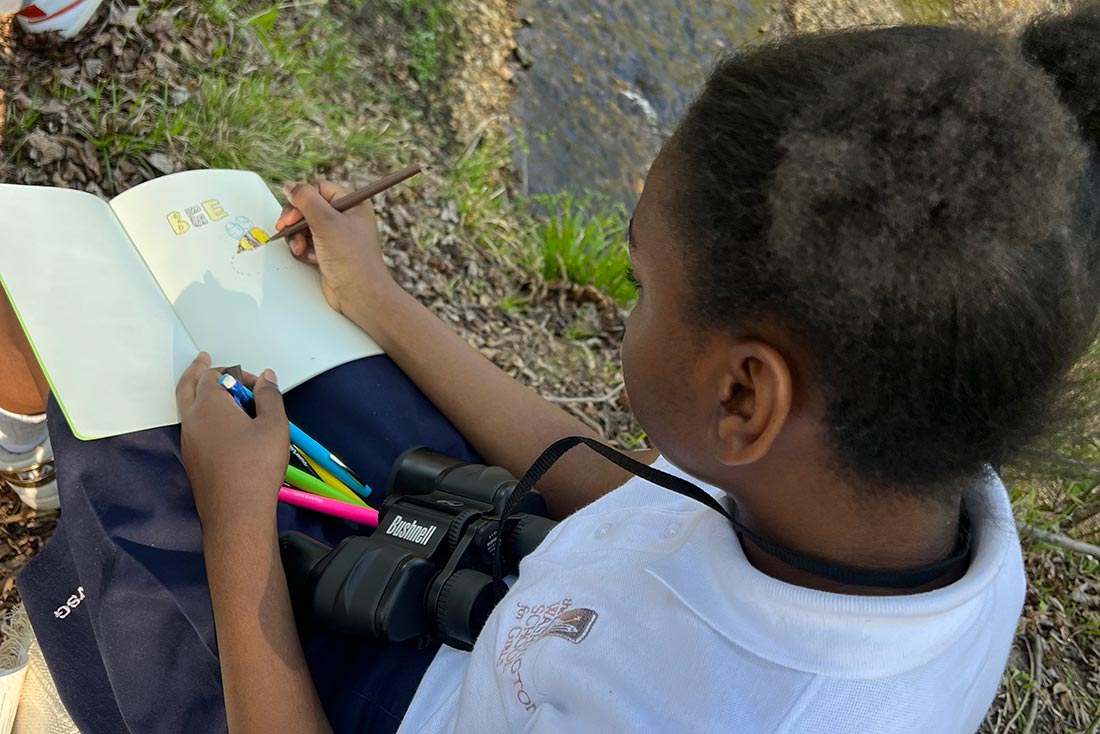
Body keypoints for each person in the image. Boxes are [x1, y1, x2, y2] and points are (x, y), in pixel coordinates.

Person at [8, 5, 1100, 733]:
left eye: (641, 284)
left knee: (131, 468)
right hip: (476, 601)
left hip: (365, 701)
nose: (633, 300)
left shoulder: (720, 710)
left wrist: (237, 519)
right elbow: (646, 508)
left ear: (743, 396)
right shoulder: (897, 477)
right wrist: (378, 302)